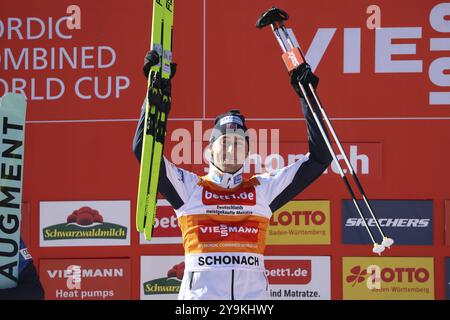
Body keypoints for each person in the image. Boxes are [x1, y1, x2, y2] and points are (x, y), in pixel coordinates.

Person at [133, 52, 332, 300]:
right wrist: (152, 96)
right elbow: (144, 150)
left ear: (248, 152)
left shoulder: (262, 190)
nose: (230, 150)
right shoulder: (190, 189)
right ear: (209, 149)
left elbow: (320, 158)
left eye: (239, 144)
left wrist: (308, 98)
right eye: (224, 142)